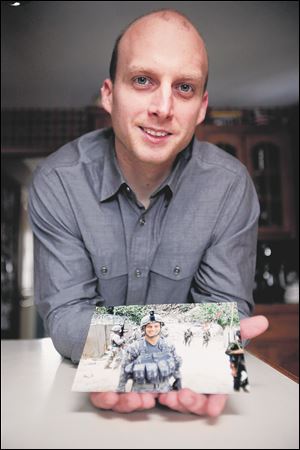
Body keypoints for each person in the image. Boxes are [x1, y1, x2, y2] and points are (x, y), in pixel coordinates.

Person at [28, 8, 269, 416]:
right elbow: (67, 318)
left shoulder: (230, 186)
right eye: (143, 80)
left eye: (185, 88)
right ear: (109, 94)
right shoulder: (58, 182)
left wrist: (141, 356)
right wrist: (183, 348)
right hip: (87, 413)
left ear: (202, 107)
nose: (163, 106)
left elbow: (226, 313)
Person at [117, 311, 182, 392]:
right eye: (149, 326)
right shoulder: (135, 347)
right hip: (140, 391)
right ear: (144, 328)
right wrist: (120, 389)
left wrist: (178, 379)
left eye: (156, 326)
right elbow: (124, 369)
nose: (153, 329)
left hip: (164, 390)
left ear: (160, 327)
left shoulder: (168, 345)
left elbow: (175, 364)